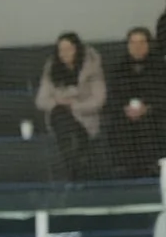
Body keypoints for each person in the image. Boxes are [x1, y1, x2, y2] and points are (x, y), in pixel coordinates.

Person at [36, 32, 107, 181]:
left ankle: (72, 171)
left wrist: (73, 105)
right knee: (61, 116)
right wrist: (59, 102)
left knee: (66, 127)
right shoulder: (51, 68)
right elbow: (41, 100)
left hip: (85, 119)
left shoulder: (92, 67)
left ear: (77, 49)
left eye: (69, 49)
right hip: (59, 117)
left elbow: (98, 100)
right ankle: (75, 168)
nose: (64, 53)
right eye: (61, 50)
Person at [105, 26, 166, 179]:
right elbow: (112, 97)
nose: (137, 47)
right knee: (117, 124)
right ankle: (125, 169)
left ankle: (152, 167)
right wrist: (125, 108)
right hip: (125, 114)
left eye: (141, 42)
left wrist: (148, 108)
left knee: (151, 124)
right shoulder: (118, 69)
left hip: (156, 114)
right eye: (133, 43)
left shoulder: (161, 68)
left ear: (149, 44)